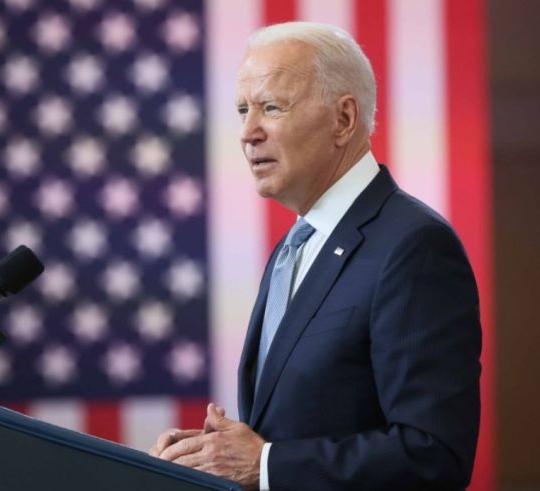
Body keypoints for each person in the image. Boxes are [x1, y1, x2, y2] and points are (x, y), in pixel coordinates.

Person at [149, 21, 481, 490]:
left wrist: (263, 465)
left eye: (271, 107)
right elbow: (297, 425)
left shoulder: (414, 247)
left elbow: (433, 455)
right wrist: (210, 456)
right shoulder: (297, 245)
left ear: (344, 120)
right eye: (243, 110)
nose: (247, 132)